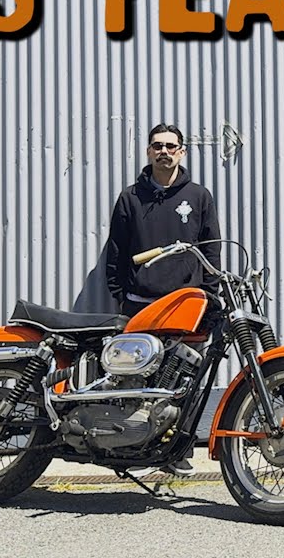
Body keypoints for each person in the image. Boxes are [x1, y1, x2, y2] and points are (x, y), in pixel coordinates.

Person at [103, 122, 222, 476]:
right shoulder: (130, 197)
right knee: (136, 381)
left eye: (171, 146)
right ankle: (135, 449)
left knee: (185, 381)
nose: (164, 152)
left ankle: (175, 452)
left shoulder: (199, 196)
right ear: (148, 152)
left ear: (182, 152)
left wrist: (210, 295)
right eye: (158, 146)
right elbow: (116, 253)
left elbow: (211, 250)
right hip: (141, 306)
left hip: (187, 307)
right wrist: (120, 295)